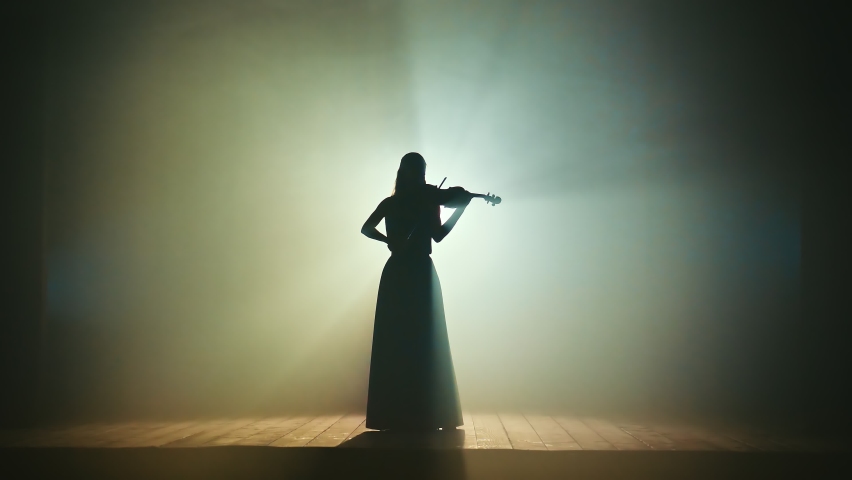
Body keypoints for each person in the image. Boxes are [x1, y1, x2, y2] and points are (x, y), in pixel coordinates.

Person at [360, 152, 471, 431]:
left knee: (403, 338)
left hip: (402, 270)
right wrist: (460, 207)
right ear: (410, 173)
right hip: (416, 271)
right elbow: (439, 235)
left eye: (423, 171)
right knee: (419, 336)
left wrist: (390, 241)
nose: (422, 177)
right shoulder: (417, 200)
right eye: (419, 171)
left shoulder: (404, 201)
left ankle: (397, 414)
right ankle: (427, 414)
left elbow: (368, 229)